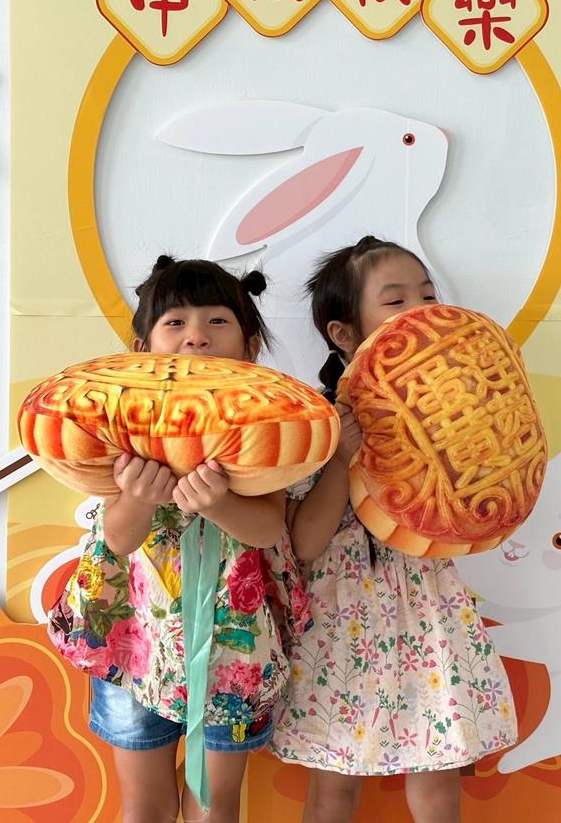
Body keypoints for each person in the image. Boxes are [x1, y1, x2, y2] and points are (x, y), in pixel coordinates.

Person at [49, 255, 309, 823]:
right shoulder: (119, 426)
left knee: (214, 806)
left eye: (217, 321)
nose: (196, 336)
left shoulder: (268, 432)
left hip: (233, 650)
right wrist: (139, 497)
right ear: (142, 350)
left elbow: (269, 528)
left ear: (250, 347)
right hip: (134, 642)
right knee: (144, 807)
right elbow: (116, 540)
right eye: (175, 322)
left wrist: (218, 503)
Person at [271, 236, 517, 823]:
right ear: (343, 333)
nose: (421, 311)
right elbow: (304, 544)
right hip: (340, 617)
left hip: (427, 606)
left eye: (428, 296)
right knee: (335, 781)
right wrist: (341, 457)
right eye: (396, 300)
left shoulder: (457, 410)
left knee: (438, 774)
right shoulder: (315, 422)